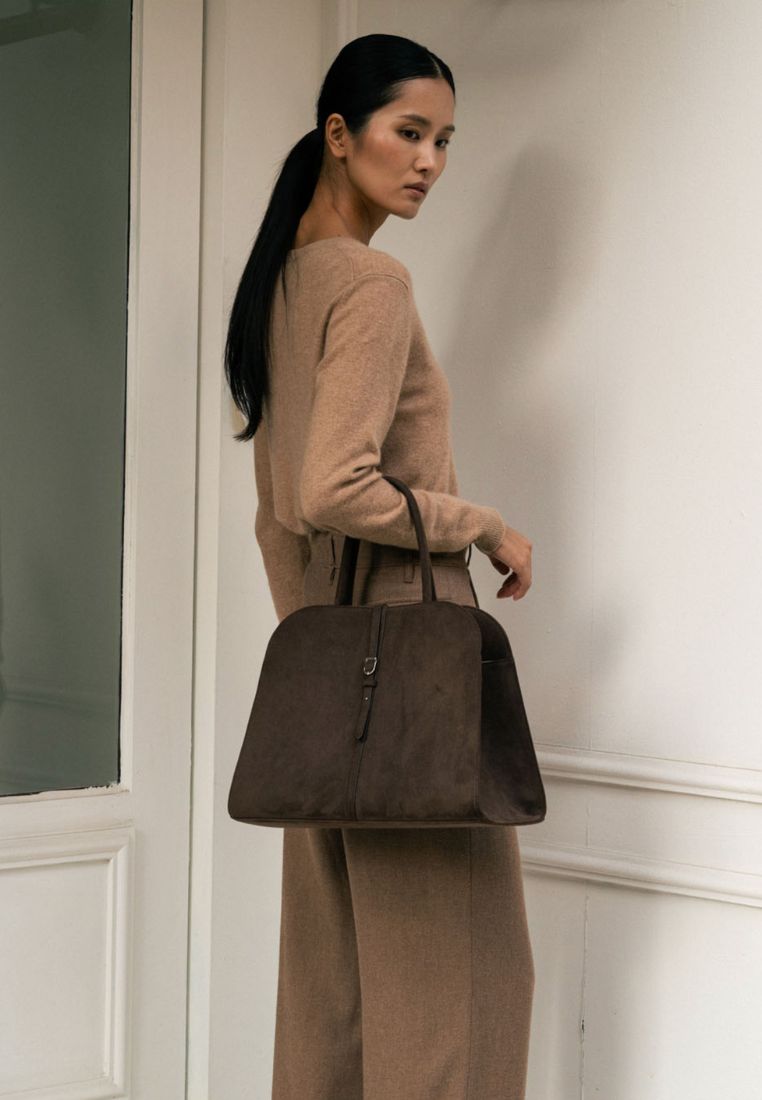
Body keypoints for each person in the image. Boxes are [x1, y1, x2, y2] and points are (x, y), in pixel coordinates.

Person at [224, 32, 535, 1100]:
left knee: (335, 998)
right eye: (410, 132)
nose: (430, 162)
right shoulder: (371, 283)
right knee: (464, 986)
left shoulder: (280, 285)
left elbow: (277, 519)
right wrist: (482, 524)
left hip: (328, 673)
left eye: (445, 140)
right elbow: (332, 488)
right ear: (339, 133)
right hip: (413, 674)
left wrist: (319, 655)